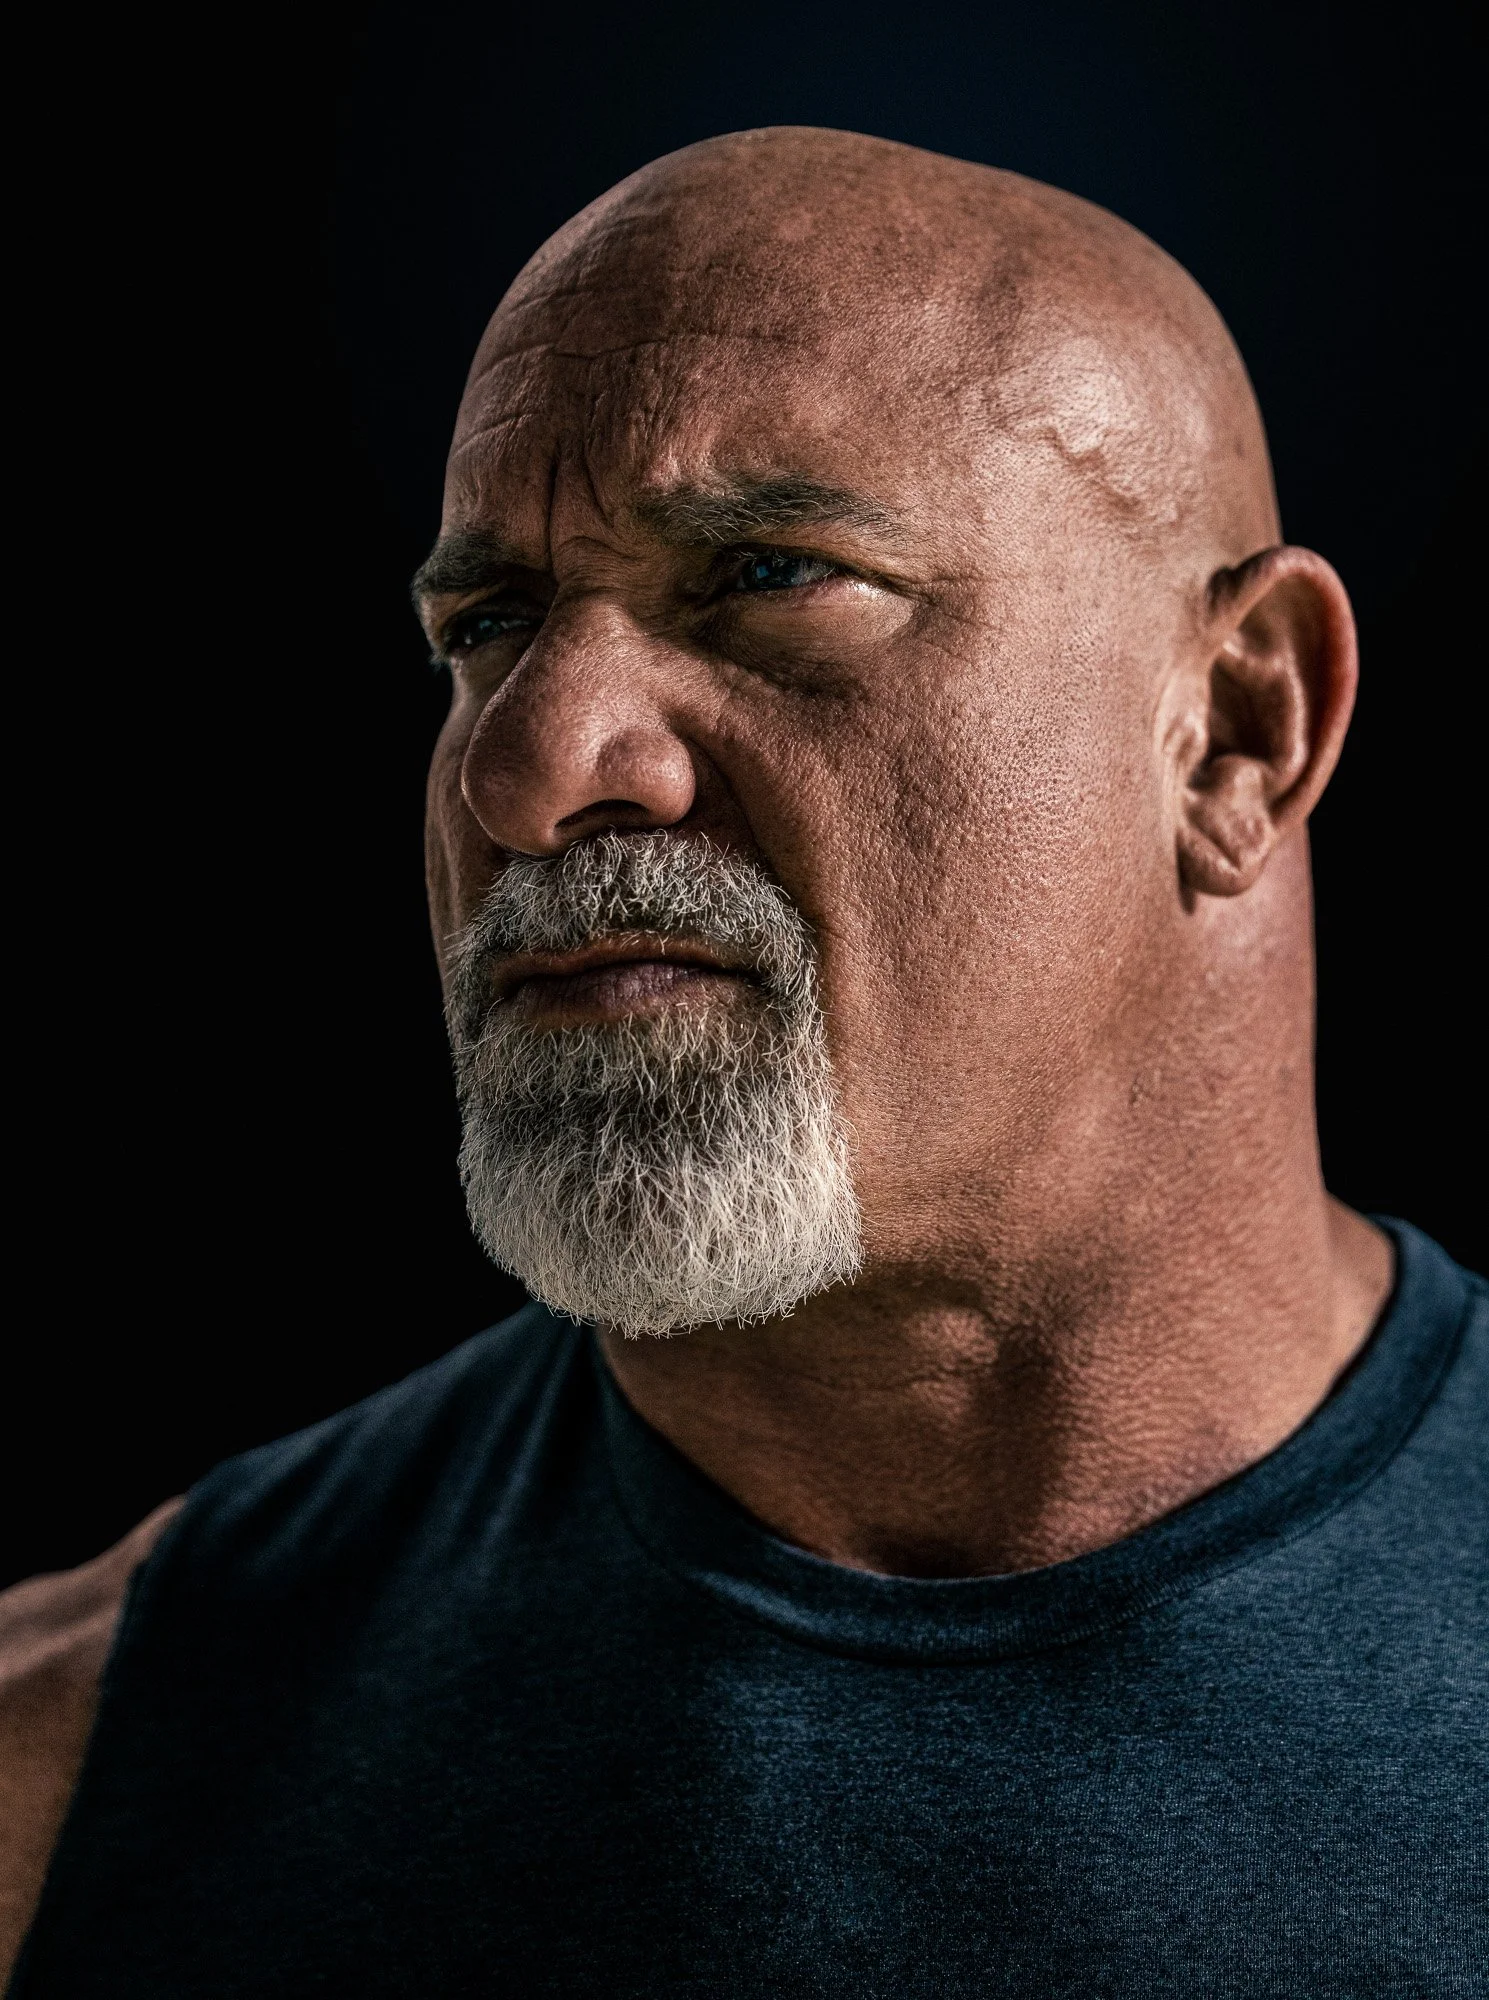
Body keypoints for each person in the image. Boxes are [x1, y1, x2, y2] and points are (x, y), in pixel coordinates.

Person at [2, 128, 1482, 1997]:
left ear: (1235, 737)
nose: (529, 769)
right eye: (490, 626)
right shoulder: (66, 1777)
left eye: (771, 575)